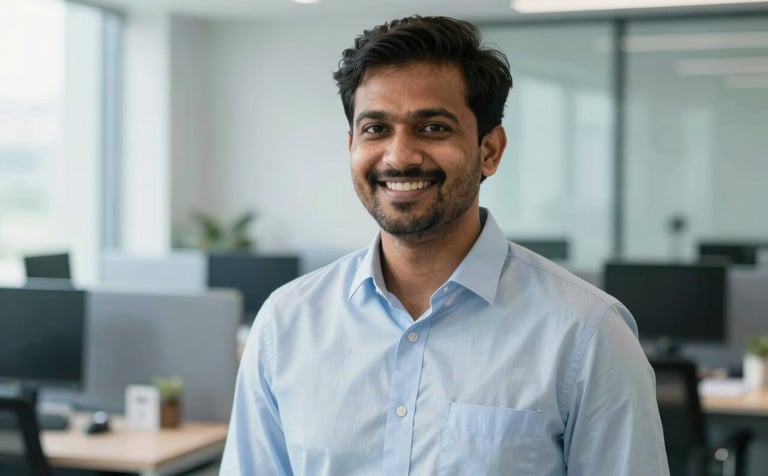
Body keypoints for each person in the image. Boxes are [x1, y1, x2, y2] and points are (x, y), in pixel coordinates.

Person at [220, 15, 669, 476]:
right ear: (352, 144)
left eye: (433, 127)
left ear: (489, 150)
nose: (399, 156)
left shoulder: (587, 333)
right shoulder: (285, 325)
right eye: (376, 128)